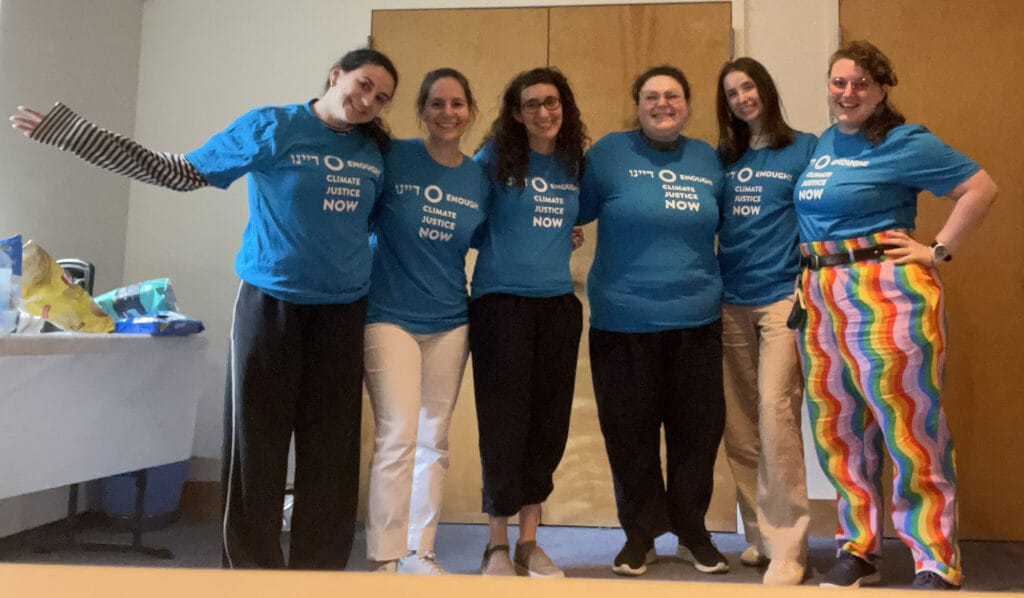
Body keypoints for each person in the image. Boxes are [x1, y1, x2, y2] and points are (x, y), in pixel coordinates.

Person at [9, 48, 399, 570]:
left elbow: (372, 225)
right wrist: (75, 134)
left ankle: (320, 575)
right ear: (336, 75)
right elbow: (179, 170)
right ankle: (252, 575)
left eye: (382, 97)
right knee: (256, 447)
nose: (369, 100)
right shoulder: (273, 126)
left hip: (343, 314)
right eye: (364, 84)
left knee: (332, 452)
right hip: (272, 307)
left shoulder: (374, 152)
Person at [793, 40, 997, 590]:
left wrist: (938, 250)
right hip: (820, 292)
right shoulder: (824, 144)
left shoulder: (906, 141)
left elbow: (980, 188)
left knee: (910, 426)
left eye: (861, 83)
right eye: (839, 82)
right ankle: (858, 548)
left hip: (885, 289)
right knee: (838, 428)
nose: (848, 92)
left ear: (882, 89)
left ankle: (934, 558)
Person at [578, 65, 727, 577]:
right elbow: (568, 210)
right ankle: (639, 535)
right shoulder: (607, 155)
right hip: (623, 322)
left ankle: (692, 532)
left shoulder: (708, 159)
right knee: (629, 435)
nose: (663, 104)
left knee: (697, 435)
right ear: (637, 104)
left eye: (673, 95)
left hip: (697, 320)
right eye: (651, 96)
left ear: (687, 104)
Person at [363, 68, 488, 575]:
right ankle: (385, 557)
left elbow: (492, 235)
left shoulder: (478, 178)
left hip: (450, 320)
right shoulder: (394, 158)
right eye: (437, 104)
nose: (447, 113)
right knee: (398, 434)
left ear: (470, 112)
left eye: (457, 104)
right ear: (421, 110)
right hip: (388, 316)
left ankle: (420, 551)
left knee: (434, 440)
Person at [470, 67, 587, 578]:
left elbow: (573, 220)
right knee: (504, 424)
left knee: (548, 425)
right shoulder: (493, 160)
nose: (544, 112)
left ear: (565, 107)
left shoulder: (573, 163)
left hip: (557, 306)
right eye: (532, 104)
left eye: (552, 102)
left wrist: (565, 235)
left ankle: (529, 541)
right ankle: (496, 543)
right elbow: (468, 224)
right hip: (501, 305)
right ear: (516, 114)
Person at [714, 57, 816, 586]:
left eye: (748, 87)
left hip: (782, 299)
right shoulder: (723, 158)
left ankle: (789, 546)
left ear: (766, 89)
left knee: (776, 415)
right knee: (740, 424)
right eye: (731, 93)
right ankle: (759, 533)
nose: (741, 98)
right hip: (729, 299)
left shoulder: (804, 147)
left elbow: (822, 212)